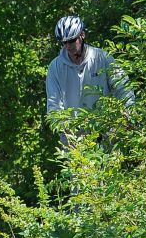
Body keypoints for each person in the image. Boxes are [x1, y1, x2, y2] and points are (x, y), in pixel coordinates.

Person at [45, 15, 135, 147]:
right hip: (75, 138)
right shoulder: (55, 67)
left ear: (82, 35)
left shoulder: (102, 58)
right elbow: (53, 105)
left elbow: (123, 88)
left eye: (71, 40)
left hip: (107, 131)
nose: (68, 46)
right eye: (64, 42)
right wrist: (66, 132)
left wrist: (127, 116)